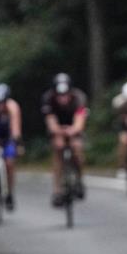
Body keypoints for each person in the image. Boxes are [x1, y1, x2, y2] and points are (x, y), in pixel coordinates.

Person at [42, 73, 88, 207]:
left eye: (65, 95)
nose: (62, 98)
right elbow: (51, 121)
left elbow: (80, 121)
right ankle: (57, 190)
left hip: (73, 126)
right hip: (58, 127)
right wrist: (59, 131)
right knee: (58, 148)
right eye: (59, 95)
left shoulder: (79, 98)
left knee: (77, 148)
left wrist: (73, 130)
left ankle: (79, 179)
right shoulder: (48, 99)